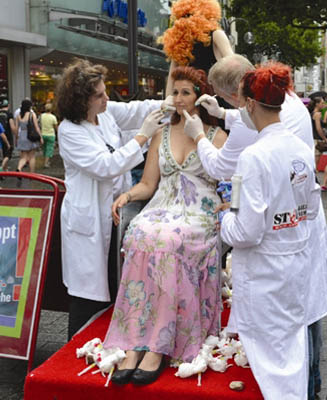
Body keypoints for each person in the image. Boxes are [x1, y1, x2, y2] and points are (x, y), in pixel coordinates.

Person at [191, 54, 327, 400]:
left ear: (251, 104)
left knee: (274, 368)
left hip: (267, 276)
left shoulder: (253, 157)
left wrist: (224, 217)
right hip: (295, 267)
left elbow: (245, 232)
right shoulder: (300, 147)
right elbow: (309, 208)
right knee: (293, 359)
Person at [104, 66, 227, 386]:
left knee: (171, 240)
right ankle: (134, 342)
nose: (180, 98)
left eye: (187, 92)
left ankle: (159, 344)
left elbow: (232, 179)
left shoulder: (217, 135)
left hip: (199, 213)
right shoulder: (160, 132)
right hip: (162, 206)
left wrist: (232, 204)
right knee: (143, 233)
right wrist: (127, 195)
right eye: (175, 92)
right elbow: (147, 183)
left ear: (200, 97)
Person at [57, 59, 167, 341]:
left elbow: (136, 110)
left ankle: (108, 344)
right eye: (99, 95)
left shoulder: (104, 113)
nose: (107, 98)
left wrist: (170, 102)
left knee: (113, 281)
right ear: (82, 101)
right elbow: (105, 166)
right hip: (89, 220)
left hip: (117, 212)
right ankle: (76, 349)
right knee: (86, 298)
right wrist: (143, 135)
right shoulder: (70, 131)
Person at [160, 0, 233, 95]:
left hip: (215, 98)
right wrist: (169, 103)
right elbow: (172, 76)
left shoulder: (216, 34)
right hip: (190, 100)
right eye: (181, 17)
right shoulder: (179, 43)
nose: (184, 21)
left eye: (189, 15)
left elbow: (234, 66)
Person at [15, 99, 42, 174]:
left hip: (22, 136)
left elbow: (16, 129)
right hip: (30, 136)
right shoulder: (32, 114)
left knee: (23, 157)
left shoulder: (18, 116)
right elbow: (36, 127)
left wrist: (16, 139)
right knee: (32, 156)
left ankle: (19, 168)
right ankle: (32, 173)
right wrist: (40, 137)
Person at [309, 97, 327, 165]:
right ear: (317, 104)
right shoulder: (317, 114)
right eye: (322, 103)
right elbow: (318, 128)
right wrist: (325, 139)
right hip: (316, 139)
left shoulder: (313, 113)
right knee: (316, 160)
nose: (323, 104)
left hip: (313, 138)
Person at [0, 100, 16, 171]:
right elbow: (12, 126)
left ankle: (5, 169)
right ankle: (1, 168)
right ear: (8, 105)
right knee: (8, 153)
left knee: (3, 152)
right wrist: (16, 134)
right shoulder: (9, 114)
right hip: (7, 135)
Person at [39, 103, 58, 168]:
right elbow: (55, 126)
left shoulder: (41, 116)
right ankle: (46, 163)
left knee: (44, 148)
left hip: (43, 134)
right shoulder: (53, 117)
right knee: (49, 149)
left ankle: (45, 160)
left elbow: (39, 123)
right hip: (51, 134)